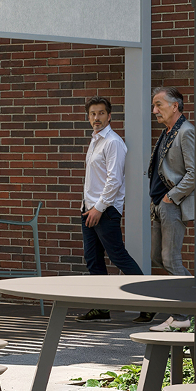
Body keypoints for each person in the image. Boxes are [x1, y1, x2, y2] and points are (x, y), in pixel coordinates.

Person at [75, 97, 142, 320]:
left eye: (101, 113)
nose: (97, 118)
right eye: (93, 114)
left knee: (118, 256)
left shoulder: (113, 142)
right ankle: (102, 306)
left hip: (105, 210)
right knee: (93, 258)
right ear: (88, 117)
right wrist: (87, 206)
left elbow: (114, 181)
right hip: (89, 209)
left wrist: (98, 208)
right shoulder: (95, 141)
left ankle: (148, 302)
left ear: (109, 116)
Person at [149, 87, 196, 330]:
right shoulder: (167, 132)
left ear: (175, 106)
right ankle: (183, 312)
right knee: (157, 257)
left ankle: (184, 314)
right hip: (158, 204)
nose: (154, 110)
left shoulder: (186, 131)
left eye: (159, 105)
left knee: (171, 258)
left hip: (172, 205)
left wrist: (171, 196)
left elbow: (195, 173)